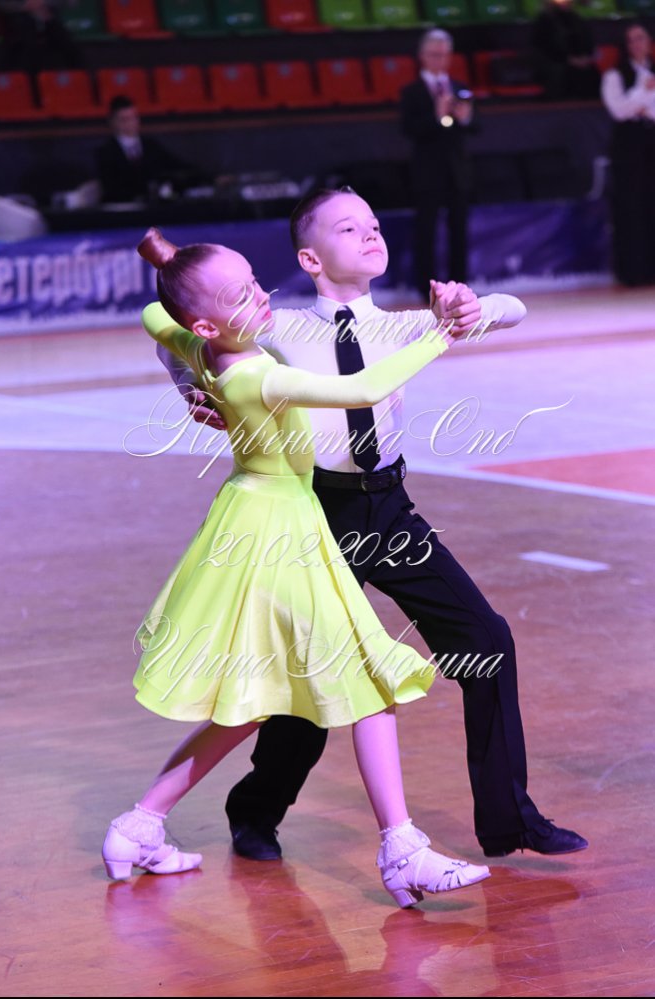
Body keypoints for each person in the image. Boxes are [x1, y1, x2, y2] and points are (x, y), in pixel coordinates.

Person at [154, 187, 589, 864]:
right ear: (310, 258)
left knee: (486, 640)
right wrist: (190, 387)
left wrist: (472, 306)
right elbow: (175, 332)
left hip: (388, 510)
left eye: (375, 225)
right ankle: (256, 811)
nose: (369, 234)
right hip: (312, 515)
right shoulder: (278, 328)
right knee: (312, 677)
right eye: (348, 228)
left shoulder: (401, 326)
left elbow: (515, 309)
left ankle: (511, 820)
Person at [103, 227, 492, 907]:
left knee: (250, 704)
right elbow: (364, 385)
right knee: (369, 679)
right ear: (206, 323)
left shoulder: (198, 346)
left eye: (255, 281)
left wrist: (174, 265)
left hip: (255, 520)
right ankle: (402, 849)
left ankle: (139, 826)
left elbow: (154, 314)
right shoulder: (257, 374)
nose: (261, 296)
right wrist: (441, 335)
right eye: (240, 295)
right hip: (279, 533)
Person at [399, 28, 474, 298]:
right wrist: (437, 116)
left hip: (457, 171)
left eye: (444, 55)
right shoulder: (412, 92)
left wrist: (464, 117)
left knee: (459, 230)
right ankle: (427, 289)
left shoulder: (459, 87)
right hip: (427, 171)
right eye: (434, 54)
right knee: (426, 231)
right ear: (422, 56)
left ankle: (459, 287)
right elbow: (408, 129)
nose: (440, 60)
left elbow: (475, 127)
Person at [600, 22, 655, 287]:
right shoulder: (614, 75)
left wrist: (642, 105)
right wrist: (644, 92)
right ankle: (634, 271)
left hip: (652, 139)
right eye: (631, 40)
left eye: (640, 38)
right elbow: (619, 110)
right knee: (631, 205)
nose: (636, 44)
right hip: (629, 145)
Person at [96, 96, 191, 204]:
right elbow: (111, 187)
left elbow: (176, 165)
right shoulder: (105, 152)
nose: (130, 124)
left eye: (133, 118)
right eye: (124, 120)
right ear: (112, 122)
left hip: (154, 205)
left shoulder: (151, 146)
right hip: (123, 207)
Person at [530, 0, 600, 100]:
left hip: (581, 63)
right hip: (556, 65)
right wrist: (569, 59)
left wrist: (585, 57)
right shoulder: (543, 21)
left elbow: (587, 41)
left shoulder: (576, 19)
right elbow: (544, 48)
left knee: (590, 76)